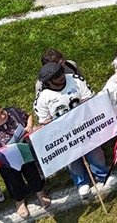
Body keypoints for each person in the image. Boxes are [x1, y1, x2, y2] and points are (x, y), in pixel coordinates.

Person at [33, 63, 110, 196]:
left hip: (84, 125)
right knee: (72, 159)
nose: (61, 76)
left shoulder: (74, 80)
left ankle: (102, 174)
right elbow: (44, 120)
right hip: (64, 134)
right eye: (56, 76)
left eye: (61, 72)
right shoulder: (43, 98)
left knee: (95, 152)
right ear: (49, 81)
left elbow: (88, 98)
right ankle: (82, 182)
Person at [0, 104, 50, 218]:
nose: (3, 116)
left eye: (2, 112)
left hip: (24, 150)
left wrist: (29, 126)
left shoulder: (12, 112)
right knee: (13, 181)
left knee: (32, 172)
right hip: (7, 162)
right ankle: (19, 201)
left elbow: (28, 116)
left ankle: (40, 192)